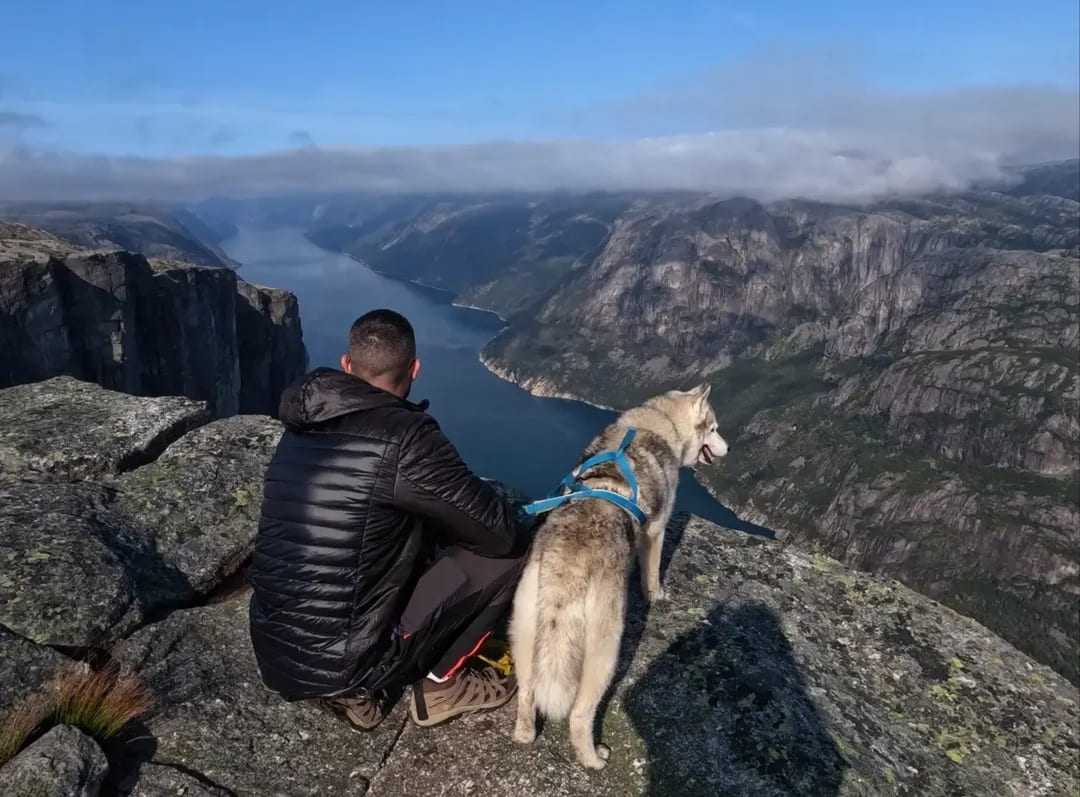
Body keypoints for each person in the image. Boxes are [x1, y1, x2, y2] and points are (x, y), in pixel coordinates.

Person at [248, 308, 530, 731]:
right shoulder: (406, 440)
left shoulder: (300, 426)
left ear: (347, 365)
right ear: (414, 369)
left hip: (276, 650)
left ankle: (350, 697)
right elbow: (499, 534)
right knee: (512, 553)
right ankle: (440, 688)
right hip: (345, 661)